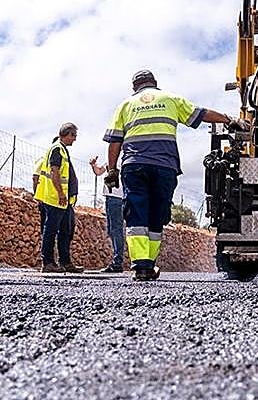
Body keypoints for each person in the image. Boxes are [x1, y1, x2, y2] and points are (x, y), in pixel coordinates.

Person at [104, 69, 246, 282]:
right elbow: (201, 113)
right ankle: (148, 264)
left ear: (135, 87)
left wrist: (112, 170)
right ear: (155, 83)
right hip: (164, 166)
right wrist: (229, 119)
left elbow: (115, 141)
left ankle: (142, 267)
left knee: (136, 214)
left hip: (135, 166)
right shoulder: (170, 99)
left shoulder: (125, 105)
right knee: (157, 215)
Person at [34, 123, 83, 273]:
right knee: (51, 230)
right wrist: (61, 193)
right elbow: (54, 172)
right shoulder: (57, 149)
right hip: (56, 198)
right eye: (73, 135)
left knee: (66, 230)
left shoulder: (62, 150)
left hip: (64, 201)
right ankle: (47, 262)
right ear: (66, 134)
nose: (74, 139)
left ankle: (65, 262)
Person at [90, 157, 126, 273]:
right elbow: (98, 172)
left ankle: (117, 262)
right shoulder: (112, 159)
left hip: (116, 198)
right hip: (110, 197)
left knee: (116, 229)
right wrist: (93, 165)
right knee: (112, 230)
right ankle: (117, 260)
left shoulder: (122, 160)